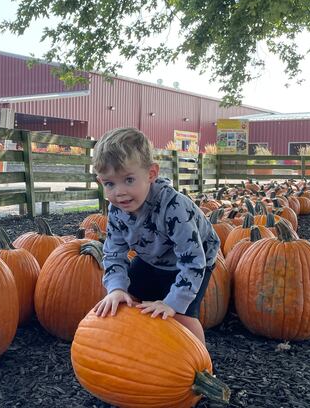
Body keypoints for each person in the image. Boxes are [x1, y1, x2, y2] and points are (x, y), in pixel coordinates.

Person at [92, 127, 220, 345]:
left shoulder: (174, 207)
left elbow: (192, 260)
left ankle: (202, 365)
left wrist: (172, 304)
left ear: (151, 174)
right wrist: (116, 289)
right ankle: (143, 349)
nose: (119, 192)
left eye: (129, 180)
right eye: (110, 183)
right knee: (125, 300)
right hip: (151, 257)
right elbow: (114, 253)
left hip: (194, 261)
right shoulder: (116, 211)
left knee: (182, 316)